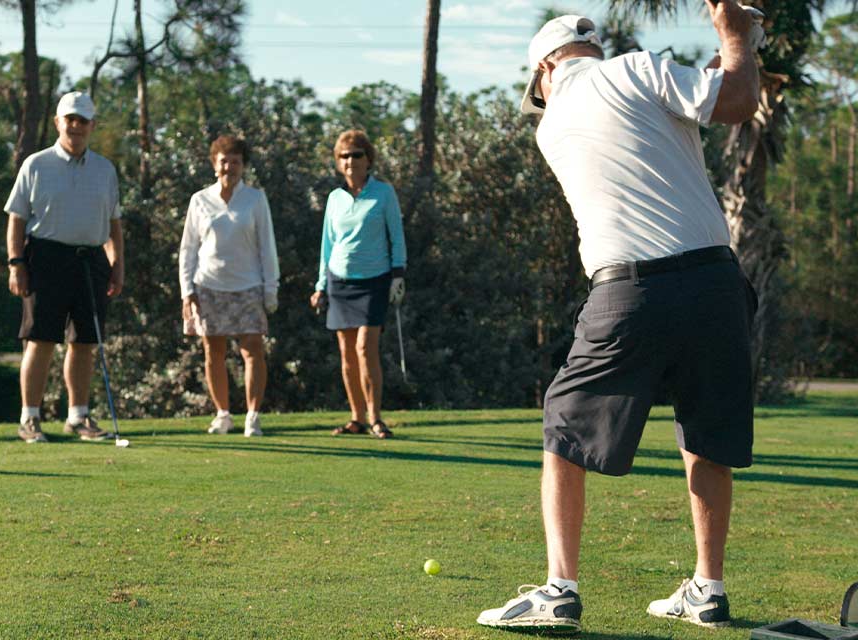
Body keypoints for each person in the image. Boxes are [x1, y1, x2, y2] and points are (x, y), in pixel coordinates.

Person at [477, 1, 761, 633]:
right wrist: (739, 37)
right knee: (704, 437)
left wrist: (733, 41)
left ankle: (559, 590)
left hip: (629, 293)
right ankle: (708, 590)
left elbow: (725, 94)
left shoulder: (552, 127)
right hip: (717, 284)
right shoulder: (638, 72)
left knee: (563, 425)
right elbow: (735, 93)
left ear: (548, 68)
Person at [4, 91, 124, 444]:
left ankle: (78, 416)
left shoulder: (105, 169)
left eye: (82, 120)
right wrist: (15, 264)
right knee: (40, 340)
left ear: (92, 126)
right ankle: (30, 418)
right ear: (58, 122)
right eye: (69, 119)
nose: (76, 126)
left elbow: (114, 224)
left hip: (91, 261)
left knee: (84, 342)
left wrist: (117, 265)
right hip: (44, 258)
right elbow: (16, 219)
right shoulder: (36, 164)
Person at [308, 130, 407, 439]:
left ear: (368, 159)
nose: (350, 161)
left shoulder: (383, 193)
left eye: (356, 155)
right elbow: (327, 243)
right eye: (344, 156)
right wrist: (320, 284)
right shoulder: (335, 199)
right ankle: (357, 418)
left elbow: (397, 235)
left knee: (366, 348)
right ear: (339, 163)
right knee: (347, 353)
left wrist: (398, 274)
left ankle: (376, 417)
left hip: (375, 280)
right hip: (339, 281)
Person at [179, 135, 280, 437]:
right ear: (215, 164)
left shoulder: (255, 199)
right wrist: (187, 291)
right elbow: (188, 248)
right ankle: (223, 414)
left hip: (249, 286)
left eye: (235, 161)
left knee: (252, 351)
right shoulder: (200, 200)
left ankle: (252, 416)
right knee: (214, 353)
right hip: (208, 286)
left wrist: (270, 288)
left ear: (243, 166)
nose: (229, 167)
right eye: (224, 161)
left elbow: (267, 247)